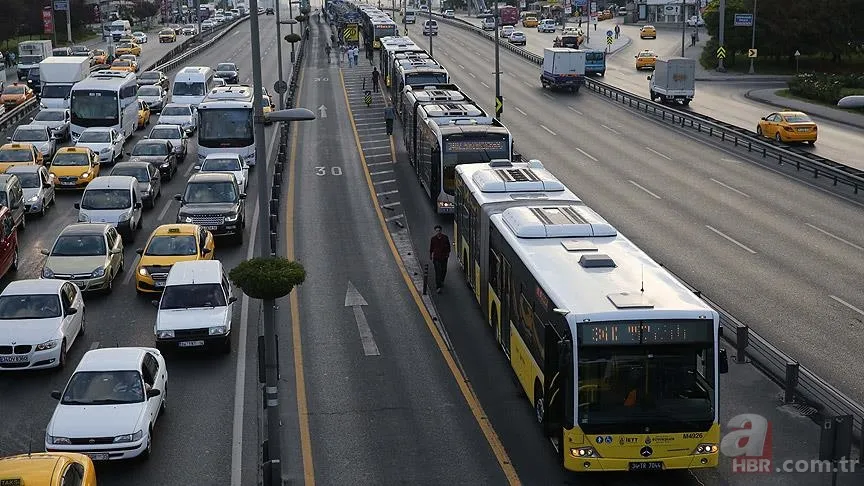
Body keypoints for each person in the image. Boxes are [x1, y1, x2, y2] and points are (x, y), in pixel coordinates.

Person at [429, 225, 451, 293]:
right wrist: (430, 255)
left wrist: (447, 254)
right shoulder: (433, 239)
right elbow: (431, 248)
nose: (438, 232)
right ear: (435, 231)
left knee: (444, 270)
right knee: (438, 272)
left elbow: (448, 247)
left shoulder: (445, 238)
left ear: (441, 231)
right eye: (437, 231)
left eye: (439, 231)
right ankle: (438, 286)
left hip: (444, 257)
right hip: (436, 258)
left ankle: (441, 280)